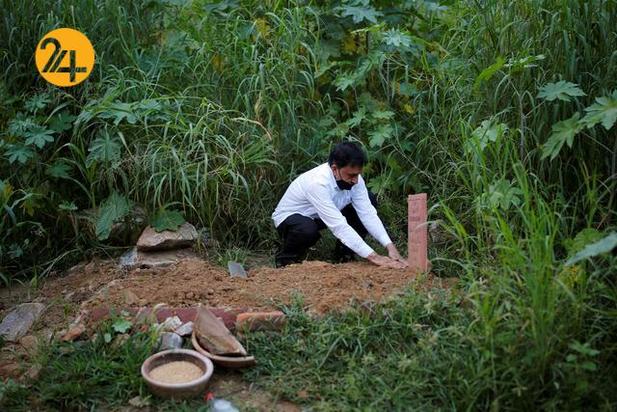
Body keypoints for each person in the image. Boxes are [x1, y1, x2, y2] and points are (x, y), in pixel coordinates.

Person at [272, 141, 408, 269]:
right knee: (307, 229)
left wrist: (390, 247)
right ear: (335, 169)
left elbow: (367, 214)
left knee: (369, 199)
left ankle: (344, 256)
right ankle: (286, 258)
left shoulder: (355, 179)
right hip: (291, 218)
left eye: (358, 174)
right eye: (351, 175)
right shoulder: (318, 184)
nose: (355, 180)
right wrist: (375, 257)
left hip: (322, 214)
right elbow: (338, 226)